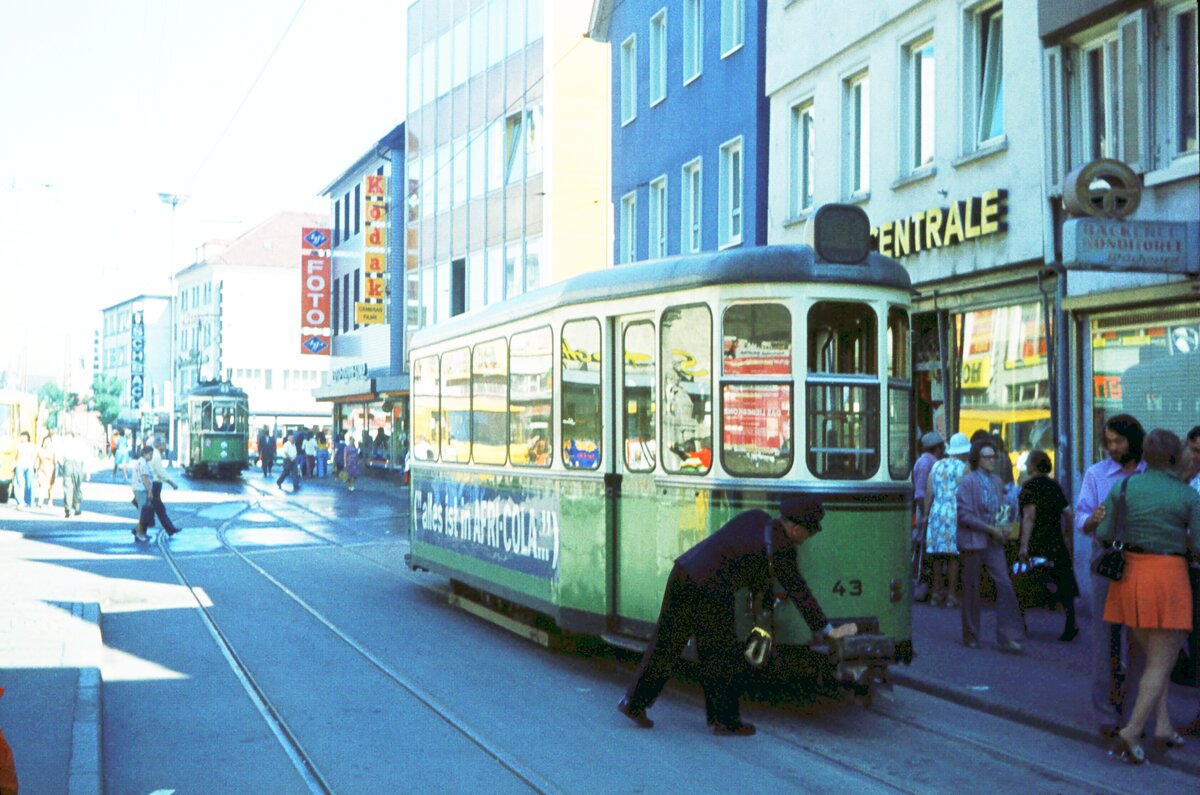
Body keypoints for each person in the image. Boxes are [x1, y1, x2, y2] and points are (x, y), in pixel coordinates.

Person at [618, 497, 858, 735]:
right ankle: (725, 721)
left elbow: (747, 562)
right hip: (711, 588)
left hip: (684, 572)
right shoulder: (782, 551)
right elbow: (799, 592)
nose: (806, 540)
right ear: (796, 529)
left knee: (666, 645)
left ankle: (633, 703)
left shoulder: (756, 518)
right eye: (808, 533)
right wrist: (827, 630)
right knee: (720, 655)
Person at [1096, 429, 1200, 764]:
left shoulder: (1124, 486)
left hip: (1129, 576)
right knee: (1160, 663)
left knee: (1156, 660)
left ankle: (1163, 727)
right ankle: (1131, 730)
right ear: (1176, 456)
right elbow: (1198, 546)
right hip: (1168, 577)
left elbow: (1104, 532)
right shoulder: (1186, 495)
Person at [1076, 413, 1146, 736]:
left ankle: (1133, 711)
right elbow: (1081, 517)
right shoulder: (1097, 473)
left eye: (1118, 441)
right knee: (1105, 639)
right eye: (1109, 442)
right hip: (1106, 557)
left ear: (1133, 440)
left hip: (1142, 561)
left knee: (1137, 639)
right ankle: (1105, 712)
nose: (1113, 448)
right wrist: (1094, 519)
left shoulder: (1150, 472)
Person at [957, 437, 1024, 654]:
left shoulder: (996, 481)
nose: (992, 460)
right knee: (972, 589)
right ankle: (971, 635)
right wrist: (990, 529)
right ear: (977, 459)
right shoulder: (968, 482)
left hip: (994, 542)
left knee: (1004, 584)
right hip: (974, 542)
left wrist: (1003, 526)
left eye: (993, 456)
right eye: (987, 456)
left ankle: (1006, 636)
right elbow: (964, 515)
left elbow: (1001, 508)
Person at [1017, 450, 1079, 641]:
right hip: (1055, 539)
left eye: (1028, 462)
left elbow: (1029, 517)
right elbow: (1069, 513)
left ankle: (1021, 624)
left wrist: (1024, 545)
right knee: (1063, 581)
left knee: (1024, 580)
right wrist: (1067, 535)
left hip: (1037, 540)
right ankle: (1070, 625)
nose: (1026, 465)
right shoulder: (1054, 486)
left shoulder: (1029, 487)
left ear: (1034, 466)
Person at [923, 432, 971, 607]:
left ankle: (936, 593)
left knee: (937, 555)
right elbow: (967, 493)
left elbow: (929, 491)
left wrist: (926, 513)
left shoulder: (936, 466)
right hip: (955, 512)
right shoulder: (964, 468)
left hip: (937, 511)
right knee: (953, 557)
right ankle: (951, 595)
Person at [911, 431, 945, 601]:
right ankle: (925, 588)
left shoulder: (923, 461)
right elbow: (920, 493)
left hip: (926, 511)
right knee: (926, 551)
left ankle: (928, 587)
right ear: (937, 448)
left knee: (926, 550)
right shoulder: (928, 463)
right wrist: (924, 514)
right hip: (927, 511)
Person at [147, 436, 183, 537]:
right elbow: (160, 472)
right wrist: (172, 483)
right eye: (163, 444)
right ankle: (138, 530)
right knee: (157, 508)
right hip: (155, 485)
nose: (165, 446)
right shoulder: (156, 456)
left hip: (153, 484)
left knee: (156, 508)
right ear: (158, 445)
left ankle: (170, 529)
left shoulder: (154, 453)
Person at [130, 444, 155, 542]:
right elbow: (145, 478)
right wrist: (150, 491)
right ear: (145, 454)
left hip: (139, 488)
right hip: (141, 489)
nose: (151, 457)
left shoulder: (142, 462)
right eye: (150, 454)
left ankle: (139, 531)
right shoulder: (143, 463)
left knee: (144, 512)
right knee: (143, 513)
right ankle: (139, 534)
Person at [59, 432, 87, 517]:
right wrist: (87, 471)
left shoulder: (65, 443)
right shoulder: (81, 444)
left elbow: (59, 455)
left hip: (68, 463)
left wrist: (62, 465)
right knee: (77, 487)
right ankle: (76, 507)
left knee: (67, 487)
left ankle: (68, 508)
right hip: (78, 464)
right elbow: (85, 458)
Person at [34, 431, 57, 510]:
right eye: (45, 442)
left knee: (50, 486)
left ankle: (50, 500)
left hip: (50, 470)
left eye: (48, 442)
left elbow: (55, 460)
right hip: (41, 470)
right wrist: (35, 467)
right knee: (42, 485)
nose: (46, 444)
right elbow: (37, 460)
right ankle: (40, 502)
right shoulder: (40, 450)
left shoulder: (53, 451)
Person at [12, 431, 35, 509]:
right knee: (19, 483)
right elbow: (15, 456)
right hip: (20, 465)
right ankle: (20, 501)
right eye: (21, 437)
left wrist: (32, 464)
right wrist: (14, 464)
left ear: (27, 437)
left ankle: (29, 501)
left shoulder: (31, 446)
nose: (23, 438)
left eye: (24, 437)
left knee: (29, 483)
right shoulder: (18, 446)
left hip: (29, 465)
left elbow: (33, 455)